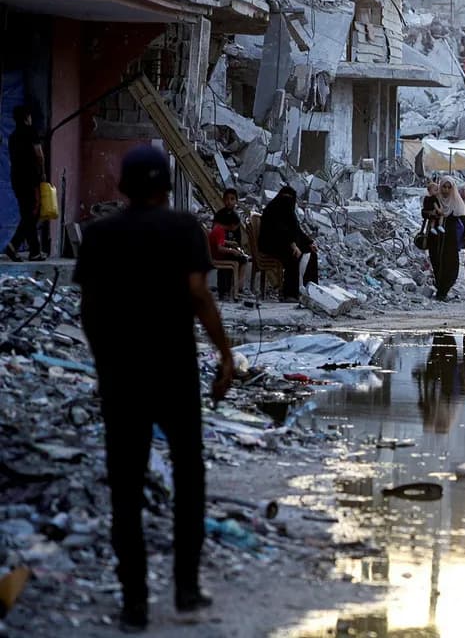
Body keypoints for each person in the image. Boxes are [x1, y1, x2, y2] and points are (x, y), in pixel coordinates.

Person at [74, 145, 234, 632]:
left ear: (123, 187)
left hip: (123, 379)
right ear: (166, 187)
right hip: (174, 375)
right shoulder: (184, 229)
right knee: (188, 479)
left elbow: (91, 311)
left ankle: (134, 604)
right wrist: (226, 355)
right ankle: (185, 588)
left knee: (126, 489)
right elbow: (199, 295)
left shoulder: (100, 236)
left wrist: (105, 367)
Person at [259, 186, 318, 300]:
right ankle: (290, 293)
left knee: (311, 253)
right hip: (271, 243)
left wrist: (309, 242)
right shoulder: (272, 210)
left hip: (286, 242)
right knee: (292, 255)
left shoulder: (290, 213)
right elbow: (279, 231)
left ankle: (311, 289)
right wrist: (292, 244)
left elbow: (296, 230)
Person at [4, 106, 46, 262]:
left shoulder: (13, 136)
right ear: (27, 117)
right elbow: (39, 155)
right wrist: (43, 173)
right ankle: (14, 246)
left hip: (17, 179)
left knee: (28, 215)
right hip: (30, 179)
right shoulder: (31, 132)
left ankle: (34, 251)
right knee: (31, 215)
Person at [425, 178, 465, 300]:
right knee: (437, 263)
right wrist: (432, 214)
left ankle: (444, 290)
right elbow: (424, 212)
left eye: (449, 187)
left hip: (450, 240)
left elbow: (462, 222)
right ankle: (440, 291)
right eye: (444, 187)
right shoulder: (434, 199)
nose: (446, 190)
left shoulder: (456, 202)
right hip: (435, 239)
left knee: (451, 265)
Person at [208, 209, 251, 299]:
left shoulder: (217, 228)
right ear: (232, 225)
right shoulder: (221, 231)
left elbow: (219, 241)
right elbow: (220, 248)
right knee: (242, 259)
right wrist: (233, 251)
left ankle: (231, 289)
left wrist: (230, 243)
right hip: (218, 256)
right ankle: (238, 288)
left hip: (214, 254)